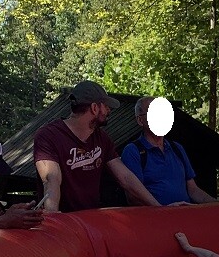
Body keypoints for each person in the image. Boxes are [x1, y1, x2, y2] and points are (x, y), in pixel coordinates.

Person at [34, 81, 162, 213]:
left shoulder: (102, 138)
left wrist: (159, 207)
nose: (109, 110)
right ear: (94, 108)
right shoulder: (48, 135)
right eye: (106, 106)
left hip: (91, 219)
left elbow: (125, 177)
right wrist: (52, 214)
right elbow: (51, 178)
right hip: (64, 219)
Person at [120, 96, 219, 206]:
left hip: (185, 218)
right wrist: (163, 209)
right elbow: (133, 196)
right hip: (153, 222)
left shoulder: (177, 148)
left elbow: (193, 190)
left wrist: (218, 203)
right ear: (140, 120)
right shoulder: (133, 151)